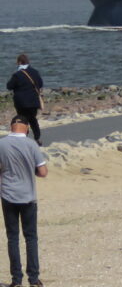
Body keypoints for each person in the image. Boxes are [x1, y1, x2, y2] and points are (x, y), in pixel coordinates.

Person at [0, 115, 47, 286]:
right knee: (31, 237)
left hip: (8, 195)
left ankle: (16, 279)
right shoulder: (31, 144)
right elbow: (42, 172)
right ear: (27, 128)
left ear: (11, 126)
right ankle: (33, 279)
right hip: (28, 195)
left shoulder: (1, 144)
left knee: (12, 237)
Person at [6, 55, 43, 145]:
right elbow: (40, 84)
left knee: (22, 120)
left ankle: (24, 139)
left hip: (21, 102)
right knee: (33, 120)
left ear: (19, 62)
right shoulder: (35, 72)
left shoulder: (17, 74)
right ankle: (37, 138)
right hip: (33, 101)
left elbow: (9, 86)